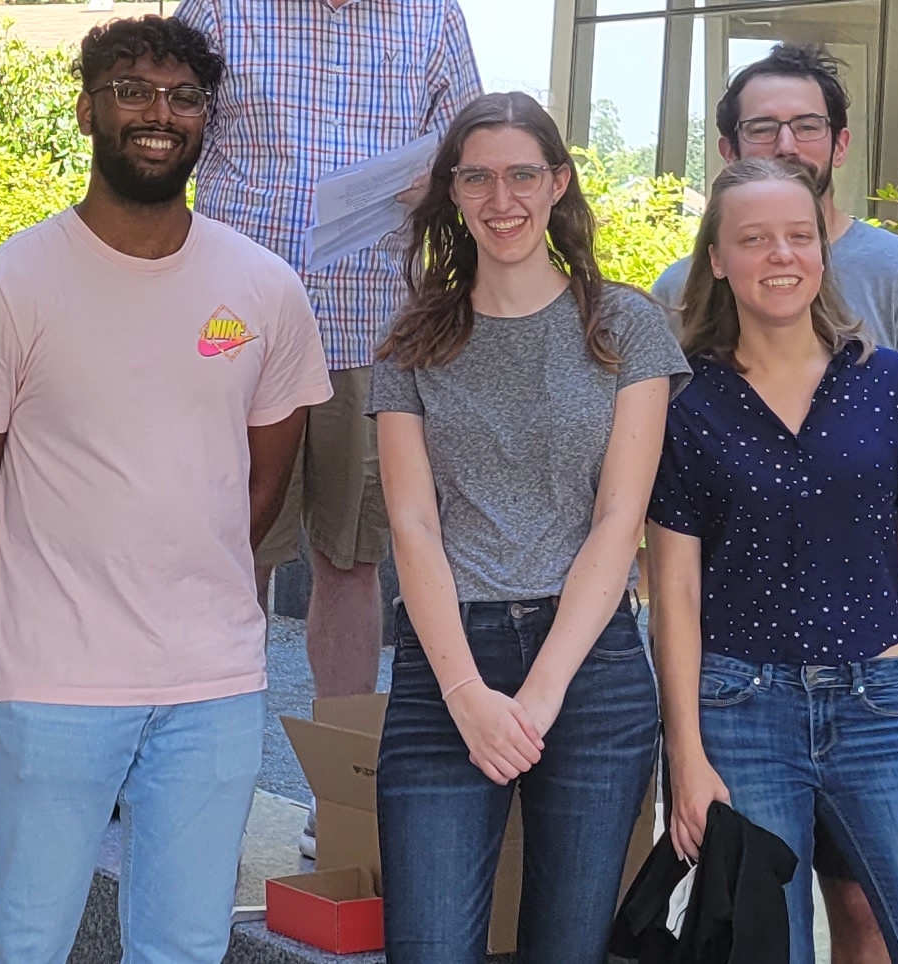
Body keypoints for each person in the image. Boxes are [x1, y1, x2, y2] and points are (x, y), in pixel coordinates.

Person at [0, 17, 328, 964]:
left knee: (185, 944)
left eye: (184, 97)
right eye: (133, 91)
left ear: (206, 121)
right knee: (23, 937)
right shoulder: (5, 289)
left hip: (213, 682)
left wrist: (193, 589)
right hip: (52, 682)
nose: (160, 114)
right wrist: (34, 614)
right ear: (86, 109)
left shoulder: (265, 290)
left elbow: (260, 490)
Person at [646, 156, 898, 964]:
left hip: (881, 708)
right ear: (718, 259)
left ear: (822, 254)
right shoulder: (683, 401)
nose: (781, 255)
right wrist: (685, 757)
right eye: (754, 239)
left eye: (799, 236)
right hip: (741, 709)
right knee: (770, 950)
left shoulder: (888, 382)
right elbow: (674, 590)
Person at [645, 46, 898, 960]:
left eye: (807, 125)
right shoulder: (683, 333)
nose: (788, 142)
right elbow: (672, 572)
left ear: (839, 141)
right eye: (763, 127)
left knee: (880, 911)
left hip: (875, 669)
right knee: (762, 939)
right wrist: (686, 748)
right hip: (743, 687)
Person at [369, 91, 682, 964]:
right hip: (447, 661)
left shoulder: (624, 325)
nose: (501, 199)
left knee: (569, 948)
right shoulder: (414, 339)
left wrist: (537, 700)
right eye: (478, 178)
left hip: (589, 669)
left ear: (558, 184)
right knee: (427, 946)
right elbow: (412, 525)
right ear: (453, 192)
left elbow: (621, 522)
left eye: (521, 175)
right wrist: (470, 697)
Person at [176, 0, 480, 699]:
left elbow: (477, 144)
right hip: (234, 339)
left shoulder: (432, 16)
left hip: (372, 331)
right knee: (227, 554)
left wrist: (444, 178)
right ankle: (207, 777)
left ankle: (337, 797)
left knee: (351, 561)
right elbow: (167, 136)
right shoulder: (222, 10)